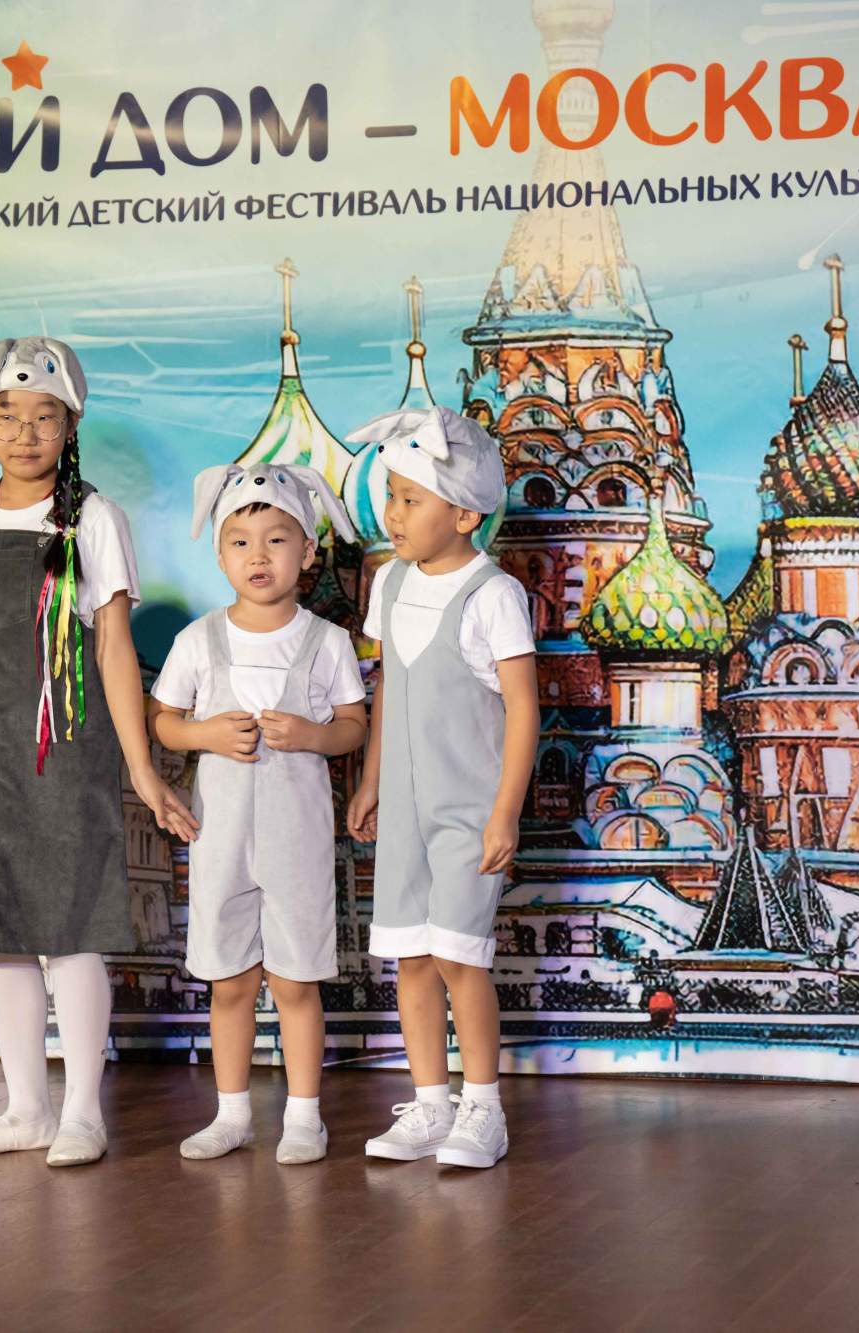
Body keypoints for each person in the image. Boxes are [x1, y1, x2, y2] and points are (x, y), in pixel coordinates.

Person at [0, 336, 196, 1167]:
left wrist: (139, 766)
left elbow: (112, 645)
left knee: (69, 928)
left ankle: (81, 1112)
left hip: (63, 748)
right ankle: (25, 1108)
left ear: (71, 426)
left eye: (46, 417)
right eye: (9, 416)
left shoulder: (91, 519)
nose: (26, 433)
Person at [151, 463, 368, 1164]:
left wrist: (311, 735)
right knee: (231, 981)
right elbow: (165, 722)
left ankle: (304, 1117)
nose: (259, 556)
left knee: (297, 981)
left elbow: (353, 726)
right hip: (220, 841)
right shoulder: (199, 640)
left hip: (297, 841)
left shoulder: (325, 642)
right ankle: (232, 1113)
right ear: (219, 555)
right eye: (241, 542)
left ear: (307, 552)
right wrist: (205, 734)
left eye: (277, 540)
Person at [343, 406, 539, 1169]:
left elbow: (522, 709)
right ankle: (431, 1103)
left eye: (409, 498)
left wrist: (504, 813)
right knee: (412, 959)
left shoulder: (492, 594)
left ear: (464, 513)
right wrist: (371, 780)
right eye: (390, 495)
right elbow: (390, 686)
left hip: (467, 812)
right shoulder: (390, 584)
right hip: (405, 814)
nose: (392, 514)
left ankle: (483, 1107)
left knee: (460, 957)